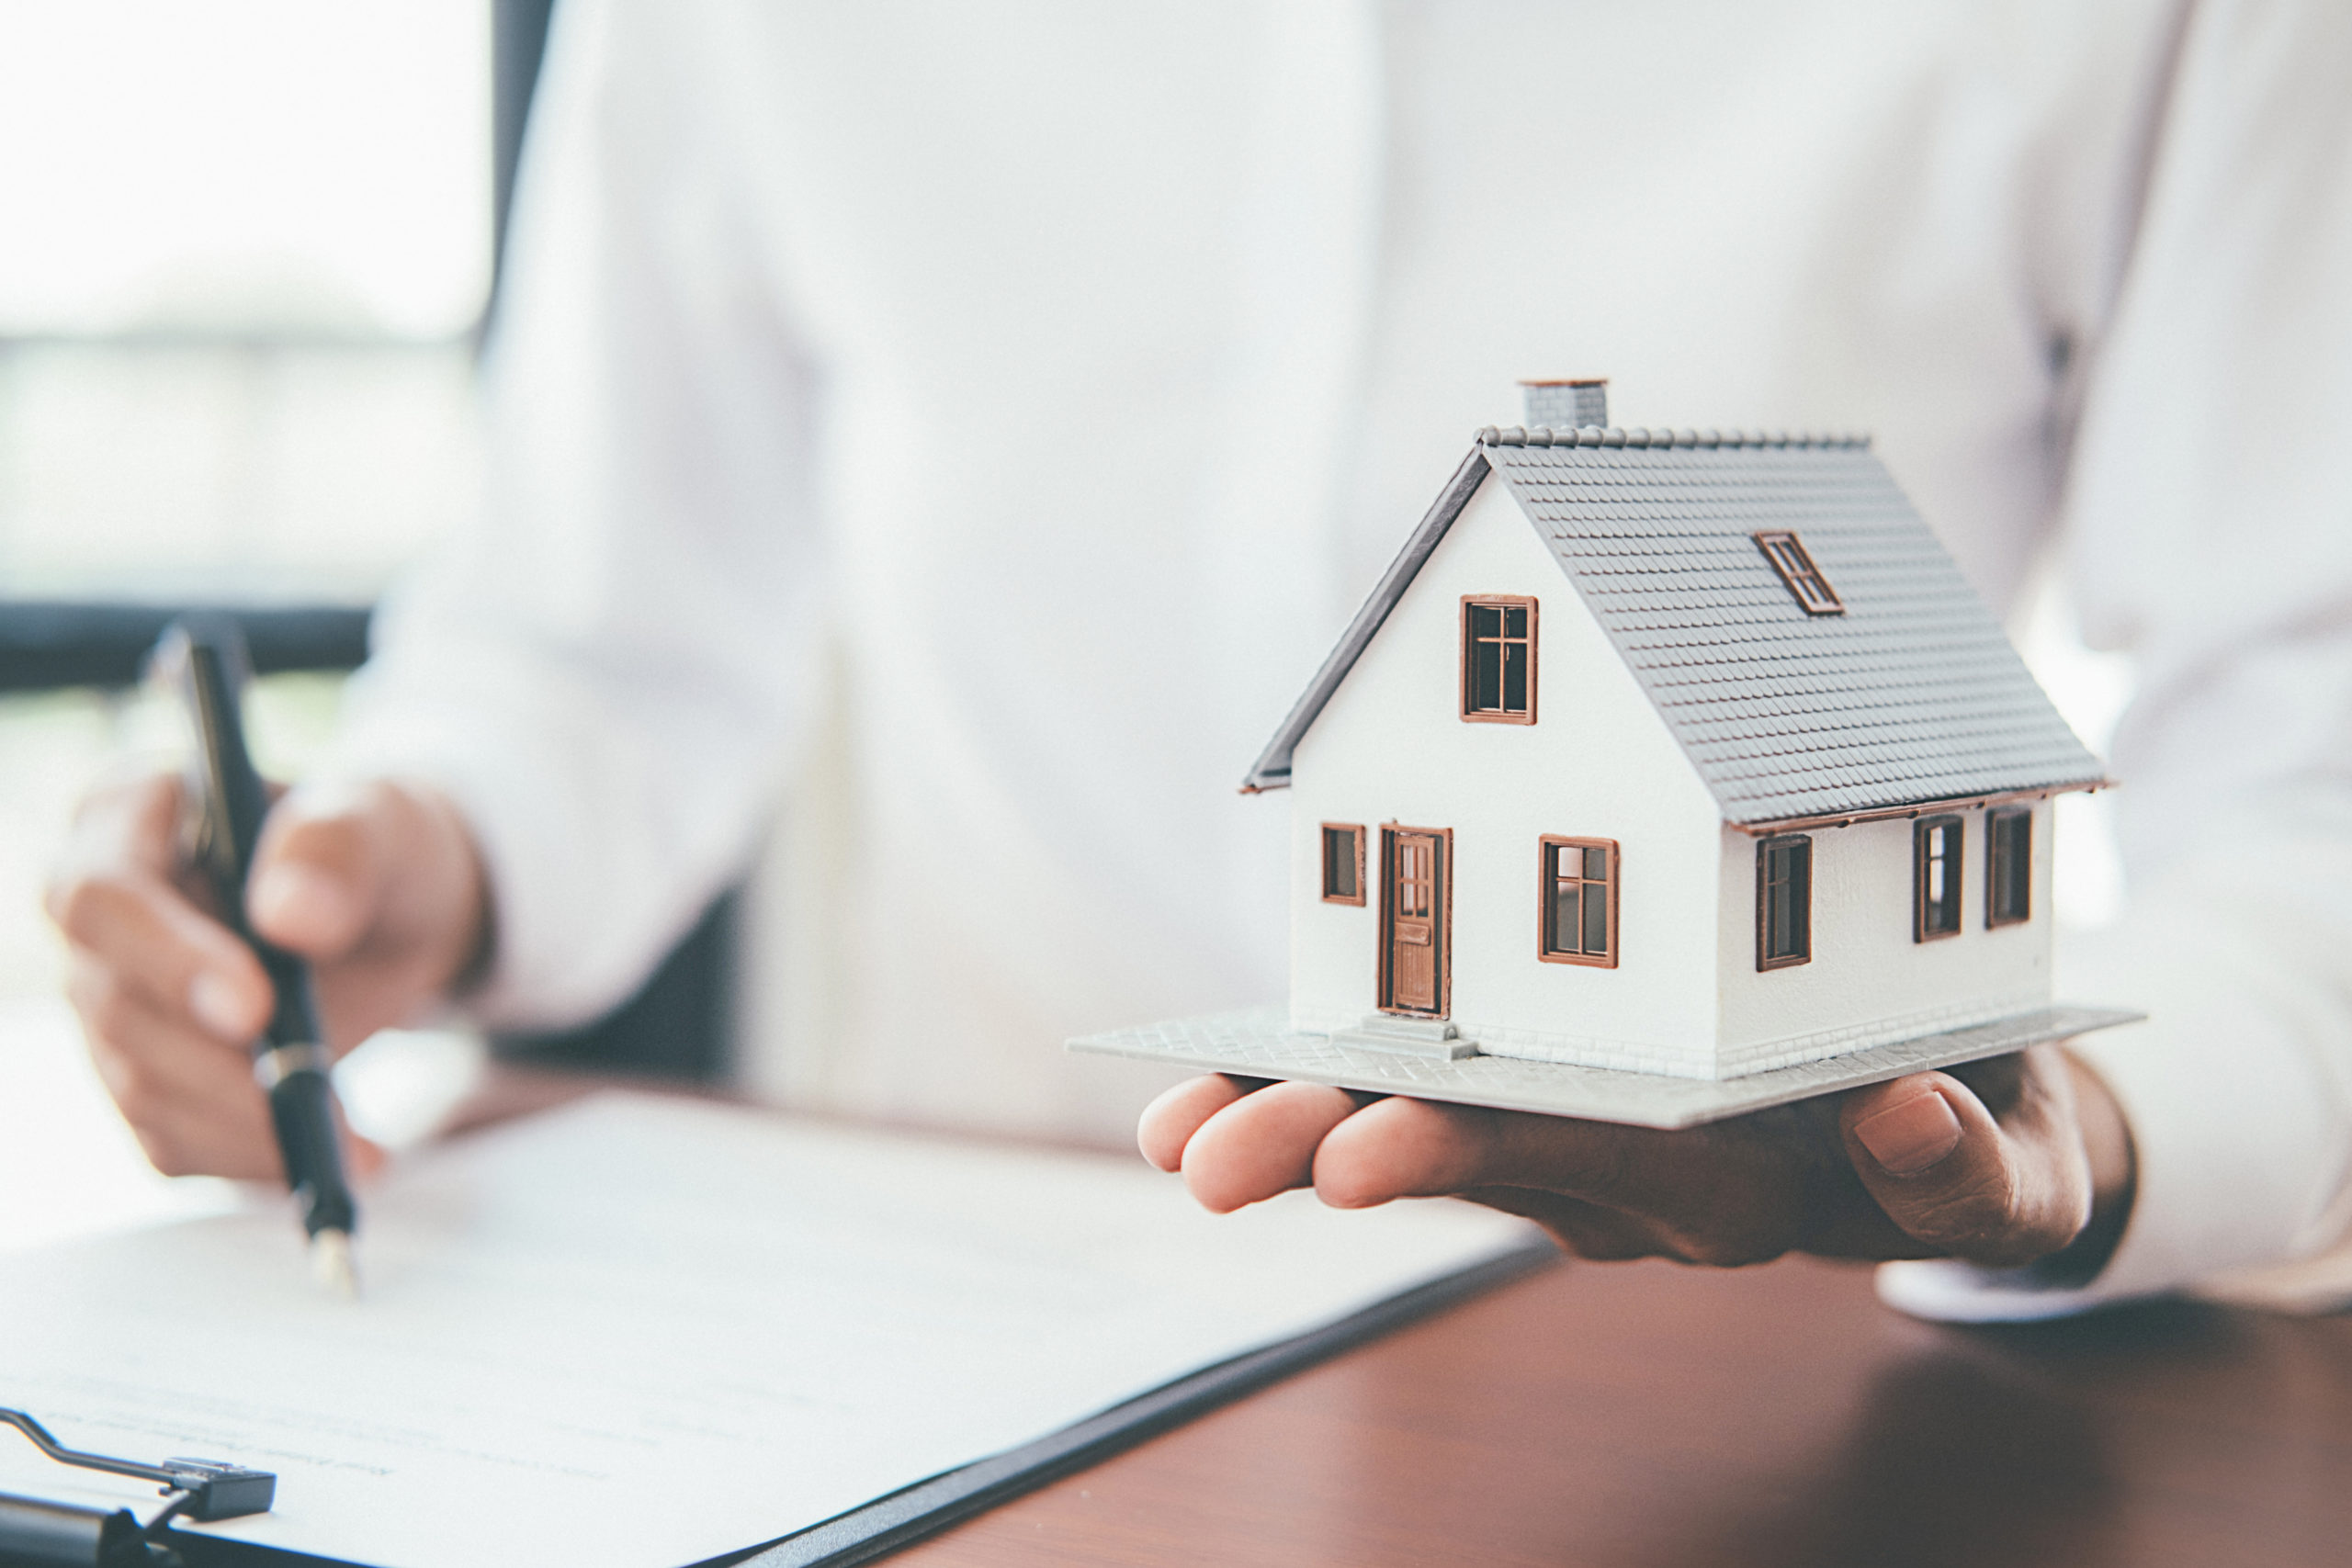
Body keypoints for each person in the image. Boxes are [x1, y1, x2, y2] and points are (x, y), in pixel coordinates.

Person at [44, 1, 2352, 1319]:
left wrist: (2088, 1125)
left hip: (1766, 1393)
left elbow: (2311, 753)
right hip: (931, 1354)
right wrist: (399, 853)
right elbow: (593, 645)